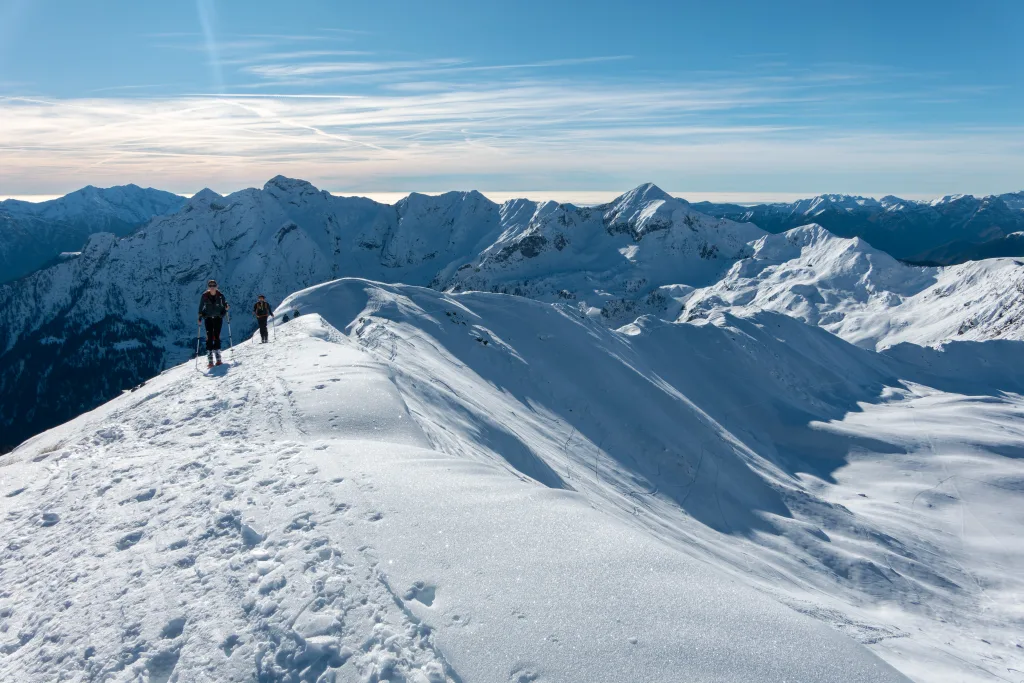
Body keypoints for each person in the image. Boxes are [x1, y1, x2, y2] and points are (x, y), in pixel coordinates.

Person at [198, 279, 229, 368]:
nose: (212, 287)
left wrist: (226, 307)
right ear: (208, 287)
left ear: (216, 286)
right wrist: (200, 317)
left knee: (217, 335)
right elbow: (200, 307)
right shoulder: (204, 296)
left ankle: (217, 357)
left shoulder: (220, 296)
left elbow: (224, 303)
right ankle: (210, 358)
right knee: (209, 336)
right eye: (210, 286)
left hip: (218, 318)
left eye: (213, 286)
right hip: (208, 318)